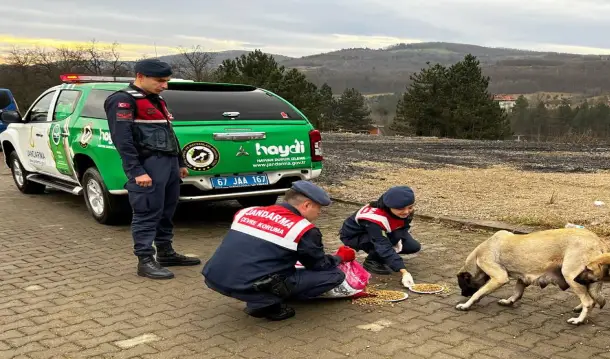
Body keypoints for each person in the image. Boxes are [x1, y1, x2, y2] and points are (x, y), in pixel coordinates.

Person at [201, 181, 355, 321]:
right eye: (319, 208)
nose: (319, 213)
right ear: (306, 205)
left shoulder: (247, 212)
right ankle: (267, 303)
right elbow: (318, 265)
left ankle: (261, 294)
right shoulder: (303, 229)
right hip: (250, 286)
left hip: (215, 277)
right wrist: (340, 257)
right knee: (335, 275)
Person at [104, 58, 200, 280]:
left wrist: (179, 163)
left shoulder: (156, 100)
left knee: (166, 211)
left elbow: (168, 133)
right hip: (147, 164)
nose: (164, 85)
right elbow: (123, 141)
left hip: (167, 165)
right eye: (159, 81)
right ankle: (145, 260)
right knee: (147, 213)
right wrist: (136, 171)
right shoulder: (123, 101)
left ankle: (165, 252)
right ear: (140, 76)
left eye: (166, 81)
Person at [339, 185, 420, 288]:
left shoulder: (406, 212)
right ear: (389, 206)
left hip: (385, 232)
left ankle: (385, 256)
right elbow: (382, 244)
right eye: (400, 208)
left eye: (410, 207)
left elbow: (403, 228)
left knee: (412, 246)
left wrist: (396, 241)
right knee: (385, 243)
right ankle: (372, 261)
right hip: (354, 236)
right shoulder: (374, 219)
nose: (406, 212)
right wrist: (404, 271)